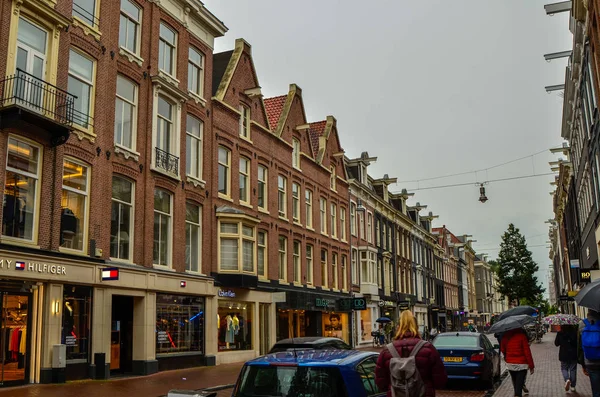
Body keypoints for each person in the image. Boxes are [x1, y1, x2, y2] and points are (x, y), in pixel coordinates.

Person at [375, 310, 447, 396]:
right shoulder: (427, 348)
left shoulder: (387, 351)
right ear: (416, 327)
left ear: (398, 327)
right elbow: (440, 380)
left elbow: (380, 382)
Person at [501, 327, 535, 397]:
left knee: (515, 382)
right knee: (519, 384)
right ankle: (517, 394)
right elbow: (527, 352)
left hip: (510, 363)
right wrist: (531, 366)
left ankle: (516, 393)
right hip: (522, 364)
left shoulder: (505, 336)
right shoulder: (522, 336)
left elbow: (503, 349)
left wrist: (506, 357)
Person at [578, 309, 600, 397]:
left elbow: (580, 346)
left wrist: (583, 364)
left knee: (596, 390)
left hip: (590, 362)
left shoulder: (582, 324)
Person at [555, 324, 579, 392]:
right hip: (573, 354)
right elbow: (576, 343)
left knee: (564, 368)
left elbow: (556, 343)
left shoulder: (560, 332)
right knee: (573, 369)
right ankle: (573, 386)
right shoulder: (574, 332)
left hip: (564, 354)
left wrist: (559, 334)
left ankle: (567, 379)